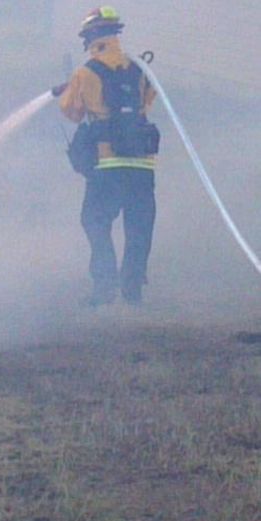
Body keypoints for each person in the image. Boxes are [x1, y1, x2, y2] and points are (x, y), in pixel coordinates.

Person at [59, 6, 159, 306]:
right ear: (115, 34)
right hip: (142, 164)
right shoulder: (140, 68)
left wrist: (73, 89)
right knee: (139, 227)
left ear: (89, 38)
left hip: (107, 165)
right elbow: (148, 102)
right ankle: (133, 290)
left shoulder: (84, 72)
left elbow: (72, 112)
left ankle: (104, 288)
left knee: (95, 222)